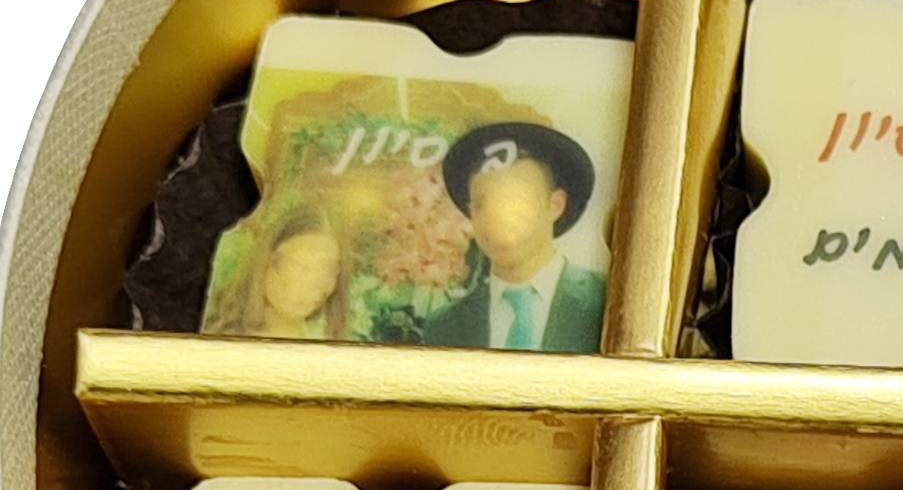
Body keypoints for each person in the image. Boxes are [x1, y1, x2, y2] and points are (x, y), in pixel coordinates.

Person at [369, 120, 605, 350]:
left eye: (515, 199)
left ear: (555, 205)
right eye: (483, 204)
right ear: (471, 213)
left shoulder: (606, 303)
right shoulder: (445, 327)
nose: (499, 217)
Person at [206, 211, 354, 340]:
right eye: (302, 265)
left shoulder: (329, 344)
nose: (315, 283)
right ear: (267, 261)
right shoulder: (218, 338)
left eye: (328, 270)